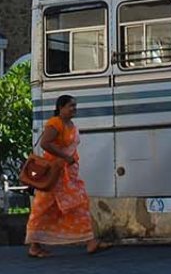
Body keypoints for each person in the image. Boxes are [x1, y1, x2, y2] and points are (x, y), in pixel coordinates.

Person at [26, 95, 110, 258]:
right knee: (43, 207)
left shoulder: (70, 125)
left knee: (79, 202)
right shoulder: (55, 123)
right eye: (70, 106)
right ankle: (34, 245)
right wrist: (64, 157)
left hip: (68, 174)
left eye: (75, 106)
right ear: (61, 107)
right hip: (55, 173)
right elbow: (45, 143)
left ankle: (90, 241)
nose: (74, 109)